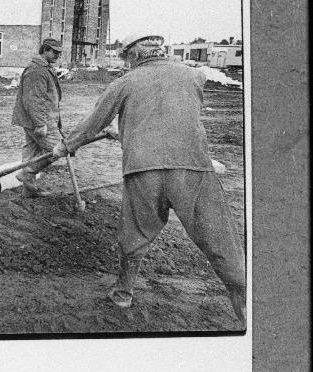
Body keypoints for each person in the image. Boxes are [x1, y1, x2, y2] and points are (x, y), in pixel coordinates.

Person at [52, 33, 246, 324]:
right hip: (192, 167)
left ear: (134, 56)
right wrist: (129, 128)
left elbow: (94, 122)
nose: (126, 63)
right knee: (219, 237)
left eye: (127, 58)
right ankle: (246, 307)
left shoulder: (124, 83)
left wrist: (65, 146)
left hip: (143, 170)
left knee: (135, 232)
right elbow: (172, 115)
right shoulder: (194, 76)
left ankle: (123, 294)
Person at [11, 38, 64, 197]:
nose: (57, 56)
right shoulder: (37, 70)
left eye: (59, 53)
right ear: (45, 50)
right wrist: (40, 124)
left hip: (37, 120)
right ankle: (28, 173)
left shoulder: (44, 68)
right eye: (54, 52)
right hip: (40, 121)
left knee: (31, 152)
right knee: (60, 149)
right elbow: (33, 100)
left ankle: (29, 190)